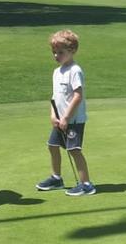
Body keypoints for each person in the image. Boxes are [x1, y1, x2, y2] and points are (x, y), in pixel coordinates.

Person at [36, 30, 95, 196]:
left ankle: (86, 184)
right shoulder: (57, 72)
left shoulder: (75, 70)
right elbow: (55, 97)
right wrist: (53, 116)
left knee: (74, 150)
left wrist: (67, 117)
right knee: (52, 145)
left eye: (60, 52)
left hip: (73, 120)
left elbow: (78, 95)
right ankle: (56, 178)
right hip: (60, 120)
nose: (56, 55)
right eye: (54, 52)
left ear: (72, 50)